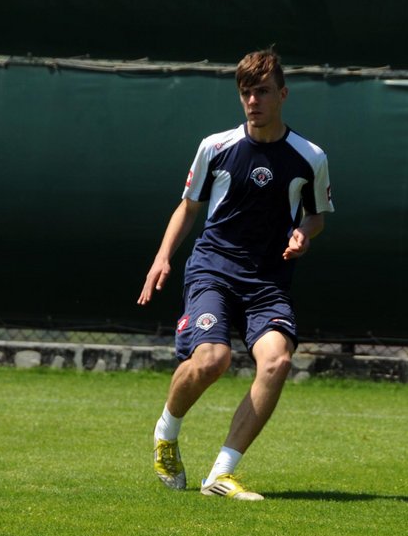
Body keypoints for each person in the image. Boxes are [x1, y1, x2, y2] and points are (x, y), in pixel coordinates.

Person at [137, 48, 334, 501]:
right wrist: (163, 257)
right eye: (246, 92)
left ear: (282, 94)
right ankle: (166, 433)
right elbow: (188, 207)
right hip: (214, 271)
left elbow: (317, 216)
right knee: (212, 359)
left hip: (268, 282)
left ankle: (219, 476)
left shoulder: (310, 157)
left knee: (277, 362)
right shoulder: (216, 147)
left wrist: (304, 234)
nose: (253, 101)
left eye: (262, 91)